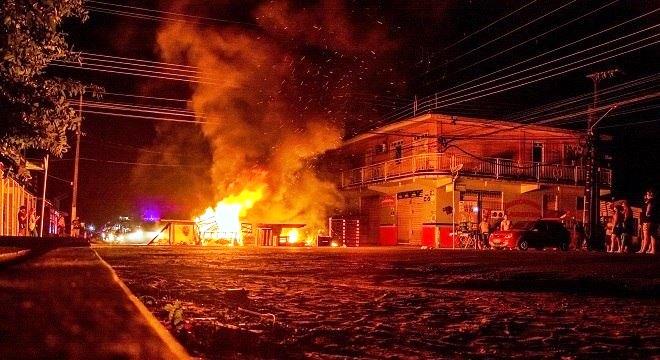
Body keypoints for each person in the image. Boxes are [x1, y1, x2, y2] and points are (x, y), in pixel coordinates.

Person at [639, 190, 657, 254]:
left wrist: (647, 213)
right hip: (654, 220)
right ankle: (653, 250)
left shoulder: (650, 201)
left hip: (647, 220)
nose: (646, 196)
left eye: (647, 194)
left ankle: (643, 250)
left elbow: (649, 208)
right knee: (653, 235)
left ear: (649, 194)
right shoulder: (655, 201)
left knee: (646, 236)